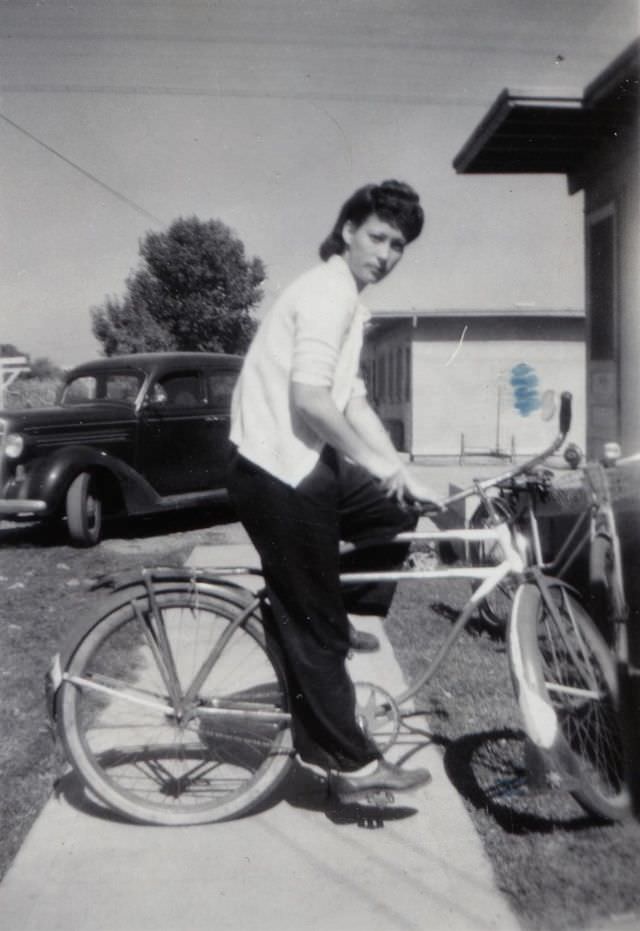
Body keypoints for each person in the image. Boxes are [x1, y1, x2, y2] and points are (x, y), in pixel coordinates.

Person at [227, 179, 443, 802]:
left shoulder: (346, 296)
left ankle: (327, 613)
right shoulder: (327, 294)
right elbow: (312, 401)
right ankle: (351, 768)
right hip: (277, 470)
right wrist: (374, 465)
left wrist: (395, 470)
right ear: (347, 230)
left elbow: (351, 399)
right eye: (378, 236)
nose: (387, 253)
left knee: (393, 513)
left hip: (301, 464)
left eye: (399, 245)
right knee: (315, 625)